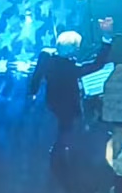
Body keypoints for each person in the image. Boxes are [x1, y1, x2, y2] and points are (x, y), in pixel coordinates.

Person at [26, 30, 94, 158]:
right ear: (72, 49)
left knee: (60, 129)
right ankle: (60, 153)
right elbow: (97, 65)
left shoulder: (46, 56)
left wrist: (32, 92)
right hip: (67, 104)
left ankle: (58, 150)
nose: (78, 50)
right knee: (66, 130)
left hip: (51, 101)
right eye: (77, 47)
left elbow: (37, 76)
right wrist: (106, 42)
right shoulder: (70, 67)